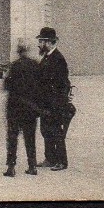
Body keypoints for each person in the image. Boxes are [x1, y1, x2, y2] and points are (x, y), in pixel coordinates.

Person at [37, 27, 75, 171]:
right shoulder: (47, 57)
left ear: (51, 42)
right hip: (46, 103)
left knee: (56, 132)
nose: (40, 44)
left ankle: (61, 161)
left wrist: (59, 103)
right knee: (45, 130)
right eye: (40, 41)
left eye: (42, 41)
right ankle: (50, 158)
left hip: (55, 103)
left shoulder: (58, 59)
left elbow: (63, 84)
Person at [3, 42, 41, 176]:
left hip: (15, 108)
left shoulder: (14, 66)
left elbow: (6, 85)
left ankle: (11, 168)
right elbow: (41, 86)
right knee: (30, 138)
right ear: (27, 51)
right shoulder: (35, 65)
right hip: (30, 108)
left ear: (19, 52)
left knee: (12, 138)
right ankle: (32, 166)